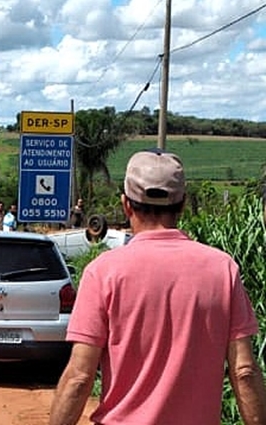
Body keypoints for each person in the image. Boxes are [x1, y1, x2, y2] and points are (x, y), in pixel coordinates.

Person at [49, 149, 266, 425]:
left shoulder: (103, 272)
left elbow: (79, 377)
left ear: (126, 205)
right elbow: (244, 371)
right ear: (183, 204)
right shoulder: (222, 270)